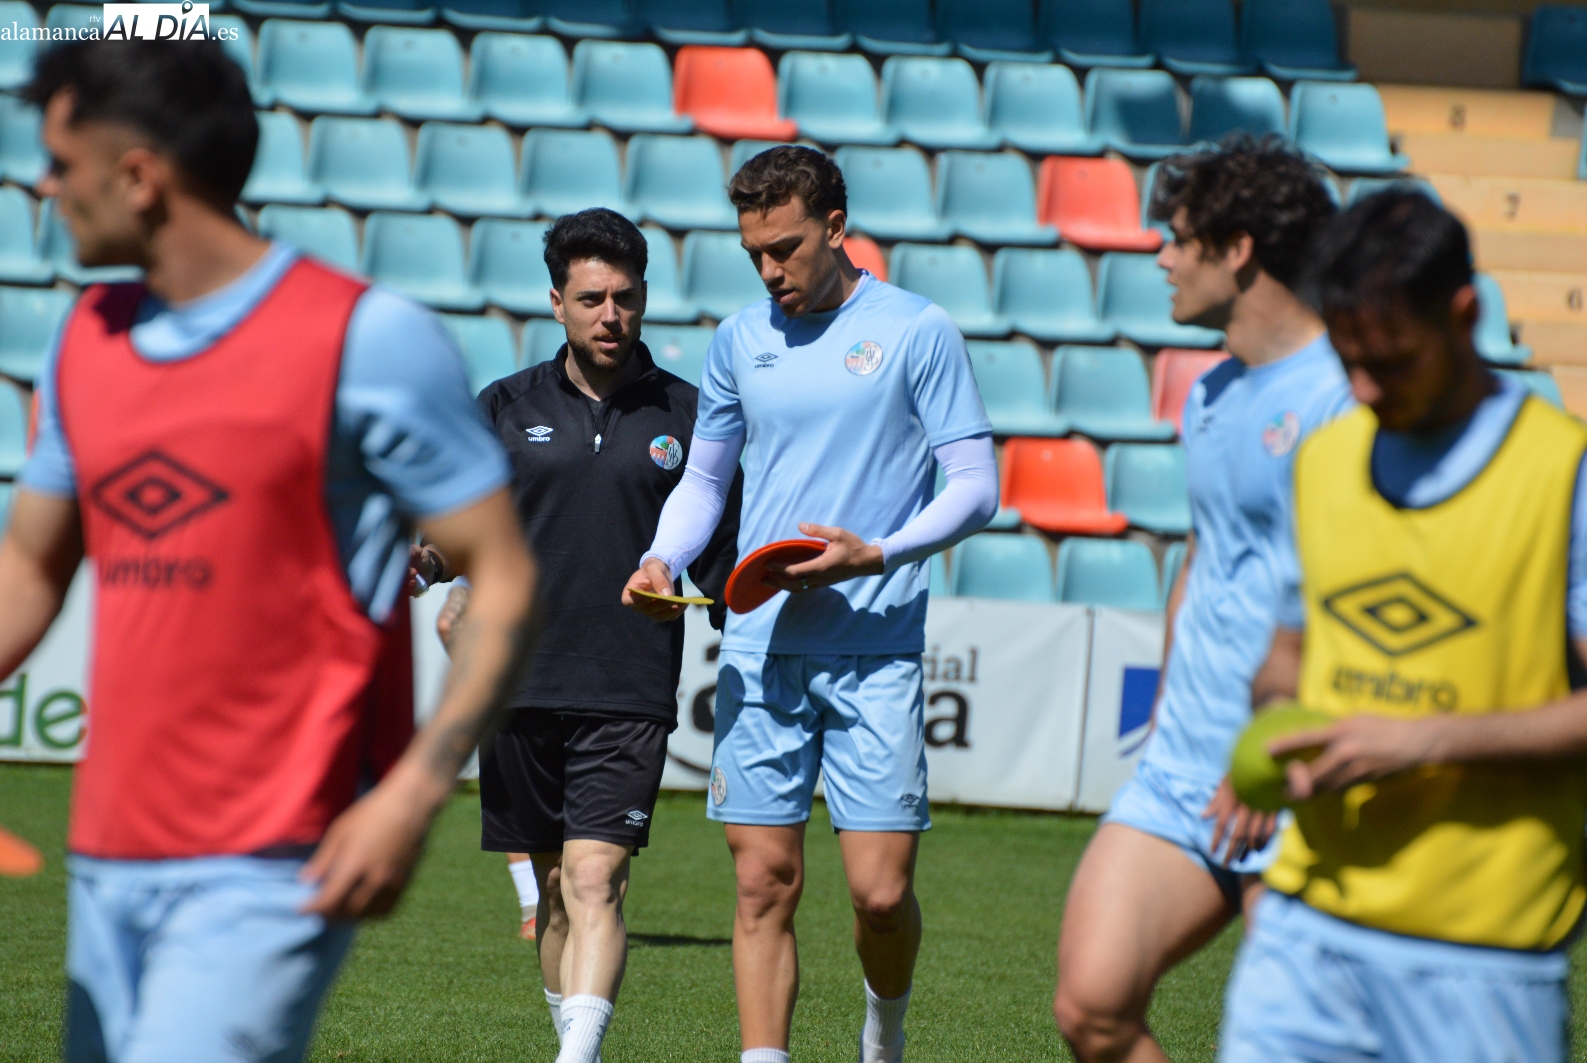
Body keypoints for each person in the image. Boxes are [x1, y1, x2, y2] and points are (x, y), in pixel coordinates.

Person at [0, 42, 536, 1063]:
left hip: (275, 856)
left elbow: (502, 574)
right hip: (106, 848)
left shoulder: (368, 339)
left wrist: (415, 793)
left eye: (62, 162)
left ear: (139, 176)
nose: (42, 184)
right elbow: (27, 570)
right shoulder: (84, 337)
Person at [622, 146, 999, 1063]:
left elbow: (975, 487)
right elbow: (705, 482)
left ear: (835, 228)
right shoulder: (737, 339)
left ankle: (884, 1027)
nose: (767, 270)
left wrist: (878, 551)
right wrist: (664, 554)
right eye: (753, 251)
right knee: (762, 881)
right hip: (756, 645)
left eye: (784, 248)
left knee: (877, 892)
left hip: (875, 647)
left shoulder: (917, 330)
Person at [1217, 190, 1587, 1063]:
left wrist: (1420, 740)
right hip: (1304, 927)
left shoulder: (1561, 472)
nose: (1363, 389)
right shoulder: (1324, 460)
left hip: (1485, 958)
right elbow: (1287, 657)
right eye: (1347, 359)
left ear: (1464, 313)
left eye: (1390, 359)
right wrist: (1271, 735)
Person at [1053, 136, 1353, 1063]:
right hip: (1181, 770)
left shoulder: (1345, 398)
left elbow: (1344, 605)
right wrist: (1172, 706)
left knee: (1303, 1044)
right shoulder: (1212, 390)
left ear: (1240, 249)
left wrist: (1269, 756)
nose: (1161, 257)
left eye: (1179, 238)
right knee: (1090, 1006)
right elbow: (1208, 554)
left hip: (1295, 775)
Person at [433, 209, 741, 1063]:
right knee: (557, 897)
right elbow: (456, 519)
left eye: (627, 298)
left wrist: (734, 594)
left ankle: (576, 1059)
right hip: (518, 682)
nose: (612, 314)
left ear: (645, 301)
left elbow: (721, 550)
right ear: (557, 304)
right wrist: (430, 559)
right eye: (592, 298)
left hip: (627, 684)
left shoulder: (691, 415)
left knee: (597, 876)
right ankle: (576, 1042)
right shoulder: (503, 406)